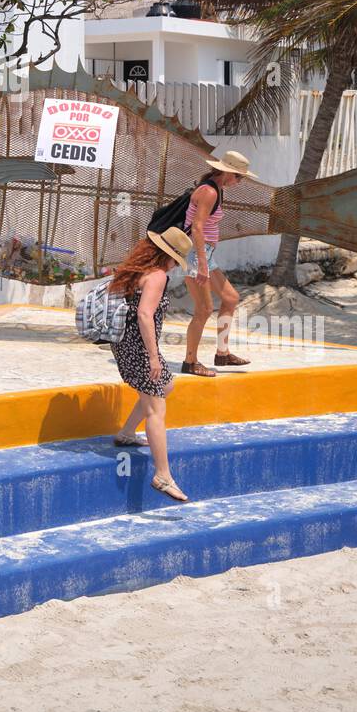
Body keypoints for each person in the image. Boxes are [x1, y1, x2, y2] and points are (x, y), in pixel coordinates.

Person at [109, 225, 194, 502]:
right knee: (157, 407)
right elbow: (145, 315)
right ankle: (162, 475)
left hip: (125, 343)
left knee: (165, 385)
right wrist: (154, 356)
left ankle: (125, 433)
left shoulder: (138, 270)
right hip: (140, 348)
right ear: (169, 257)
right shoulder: (157, 276)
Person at [181, 149, 256, 377]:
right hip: (197, 255)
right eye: (239, 177)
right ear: (228, 173)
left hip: (205, 255)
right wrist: (202, 264)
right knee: (204, 309)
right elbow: (197, 227)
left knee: (231, 298)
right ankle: (190, 362)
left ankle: (222, 354)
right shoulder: (209, 192)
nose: (240, 181)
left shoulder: (216, 189)